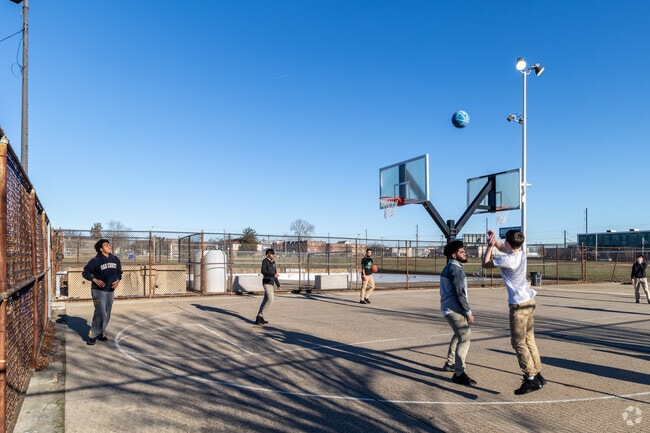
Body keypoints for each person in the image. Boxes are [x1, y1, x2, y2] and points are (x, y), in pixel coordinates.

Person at [482, 229, 546, 395]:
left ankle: (530, 378)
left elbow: (486, 263)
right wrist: (494, 239)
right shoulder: (521, 254)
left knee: (518, 343)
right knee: (529, 339)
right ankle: (538, 373)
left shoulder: (508, 260)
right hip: (529, 300)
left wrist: (489, 247)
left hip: (518, 305)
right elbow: (504, 247)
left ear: (509, 243)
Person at [440, 240, 476, 386]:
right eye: (462, 252)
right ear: (454, 255)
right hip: (455, 310)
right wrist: (468, 312)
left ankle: (450, 363)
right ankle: (459, 373)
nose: (464, 253)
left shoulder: (447, 268)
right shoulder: (456, 270)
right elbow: (460, 293)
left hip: (447, 308)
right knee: (465, 337)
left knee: (458, 334)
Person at [82, 239, 122, 345]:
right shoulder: (95, 261)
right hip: (97, 291)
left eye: (109, 245)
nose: (109, 247)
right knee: (100, 311)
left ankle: (101, 332)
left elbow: (119, 273)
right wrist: (95, 280)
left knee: (107, 313)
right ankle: (93, 334)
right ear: (101, 249)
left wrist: (117, 281)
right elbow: (85, 273)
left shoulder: (115, 259)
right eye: (106, 246)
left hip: (110, 291)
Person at [256, 248, 281, 325]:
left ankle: (259, 318)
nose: (273, 255)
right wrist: (272, 275)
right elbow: (263, 271)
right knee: (271, 299)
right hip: (266, 282)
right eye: (272, 253)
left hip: (271, 283)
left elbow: (275, 274)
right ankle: (260, 316)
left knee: (265, 300)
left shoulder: (273, 262)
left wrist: (278, 285)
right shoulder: (265, 261)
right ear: (267, 255)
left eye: (274, 254)